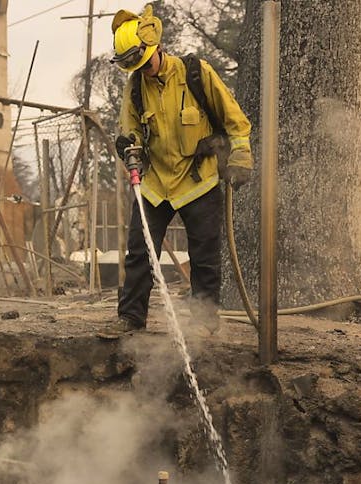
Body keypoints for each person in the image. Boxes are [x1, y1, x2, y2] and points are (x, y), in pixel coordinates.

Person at [98, 4, 253, 339]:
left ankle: (204, 318)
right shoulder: (136, 87)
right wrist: (129, 147)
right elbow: (131, 130)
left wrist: (240, 157)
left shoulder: (196, 73)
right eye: (136, 67)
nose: (145, 71)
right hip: (156, 183)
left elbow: (235, 121)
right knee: (140, 251)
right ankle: (131, 317)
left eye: (146, 63)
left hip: (198, 179)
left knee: (204, 255)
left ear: (157, 49)